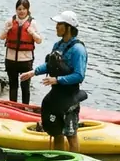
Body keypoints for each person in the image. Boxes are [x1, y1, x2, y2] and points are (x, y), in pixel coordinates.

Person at [19, 11, 87, 152]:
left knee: (71, 135)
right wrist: (33, 72)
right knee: (57, 133)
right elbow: (50, 65)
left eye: (59, 24)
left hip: (70, 96)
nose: (56, 26)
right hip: (56, 94)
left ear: (68, 27)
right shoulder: (57, 45)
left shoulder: (78, 50)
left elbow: (79, 75)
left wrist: (57, 80)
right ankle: (58, 158)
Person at [0, 0, 42, 104]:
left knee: (25, 87)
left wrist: (32, 33)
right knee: (13, 85)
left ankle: (25, 107)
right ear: (16, 10)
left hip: (25, 61)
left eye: (24, 9)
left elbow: (39, 40)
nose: (21, 11)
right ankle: (13, 106)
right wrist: (7, 30)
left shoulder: (32, 23)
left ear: (27, 10)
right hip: (11, 59)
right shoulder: (10, 21)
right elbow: (1, 37)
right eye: (19, 9)